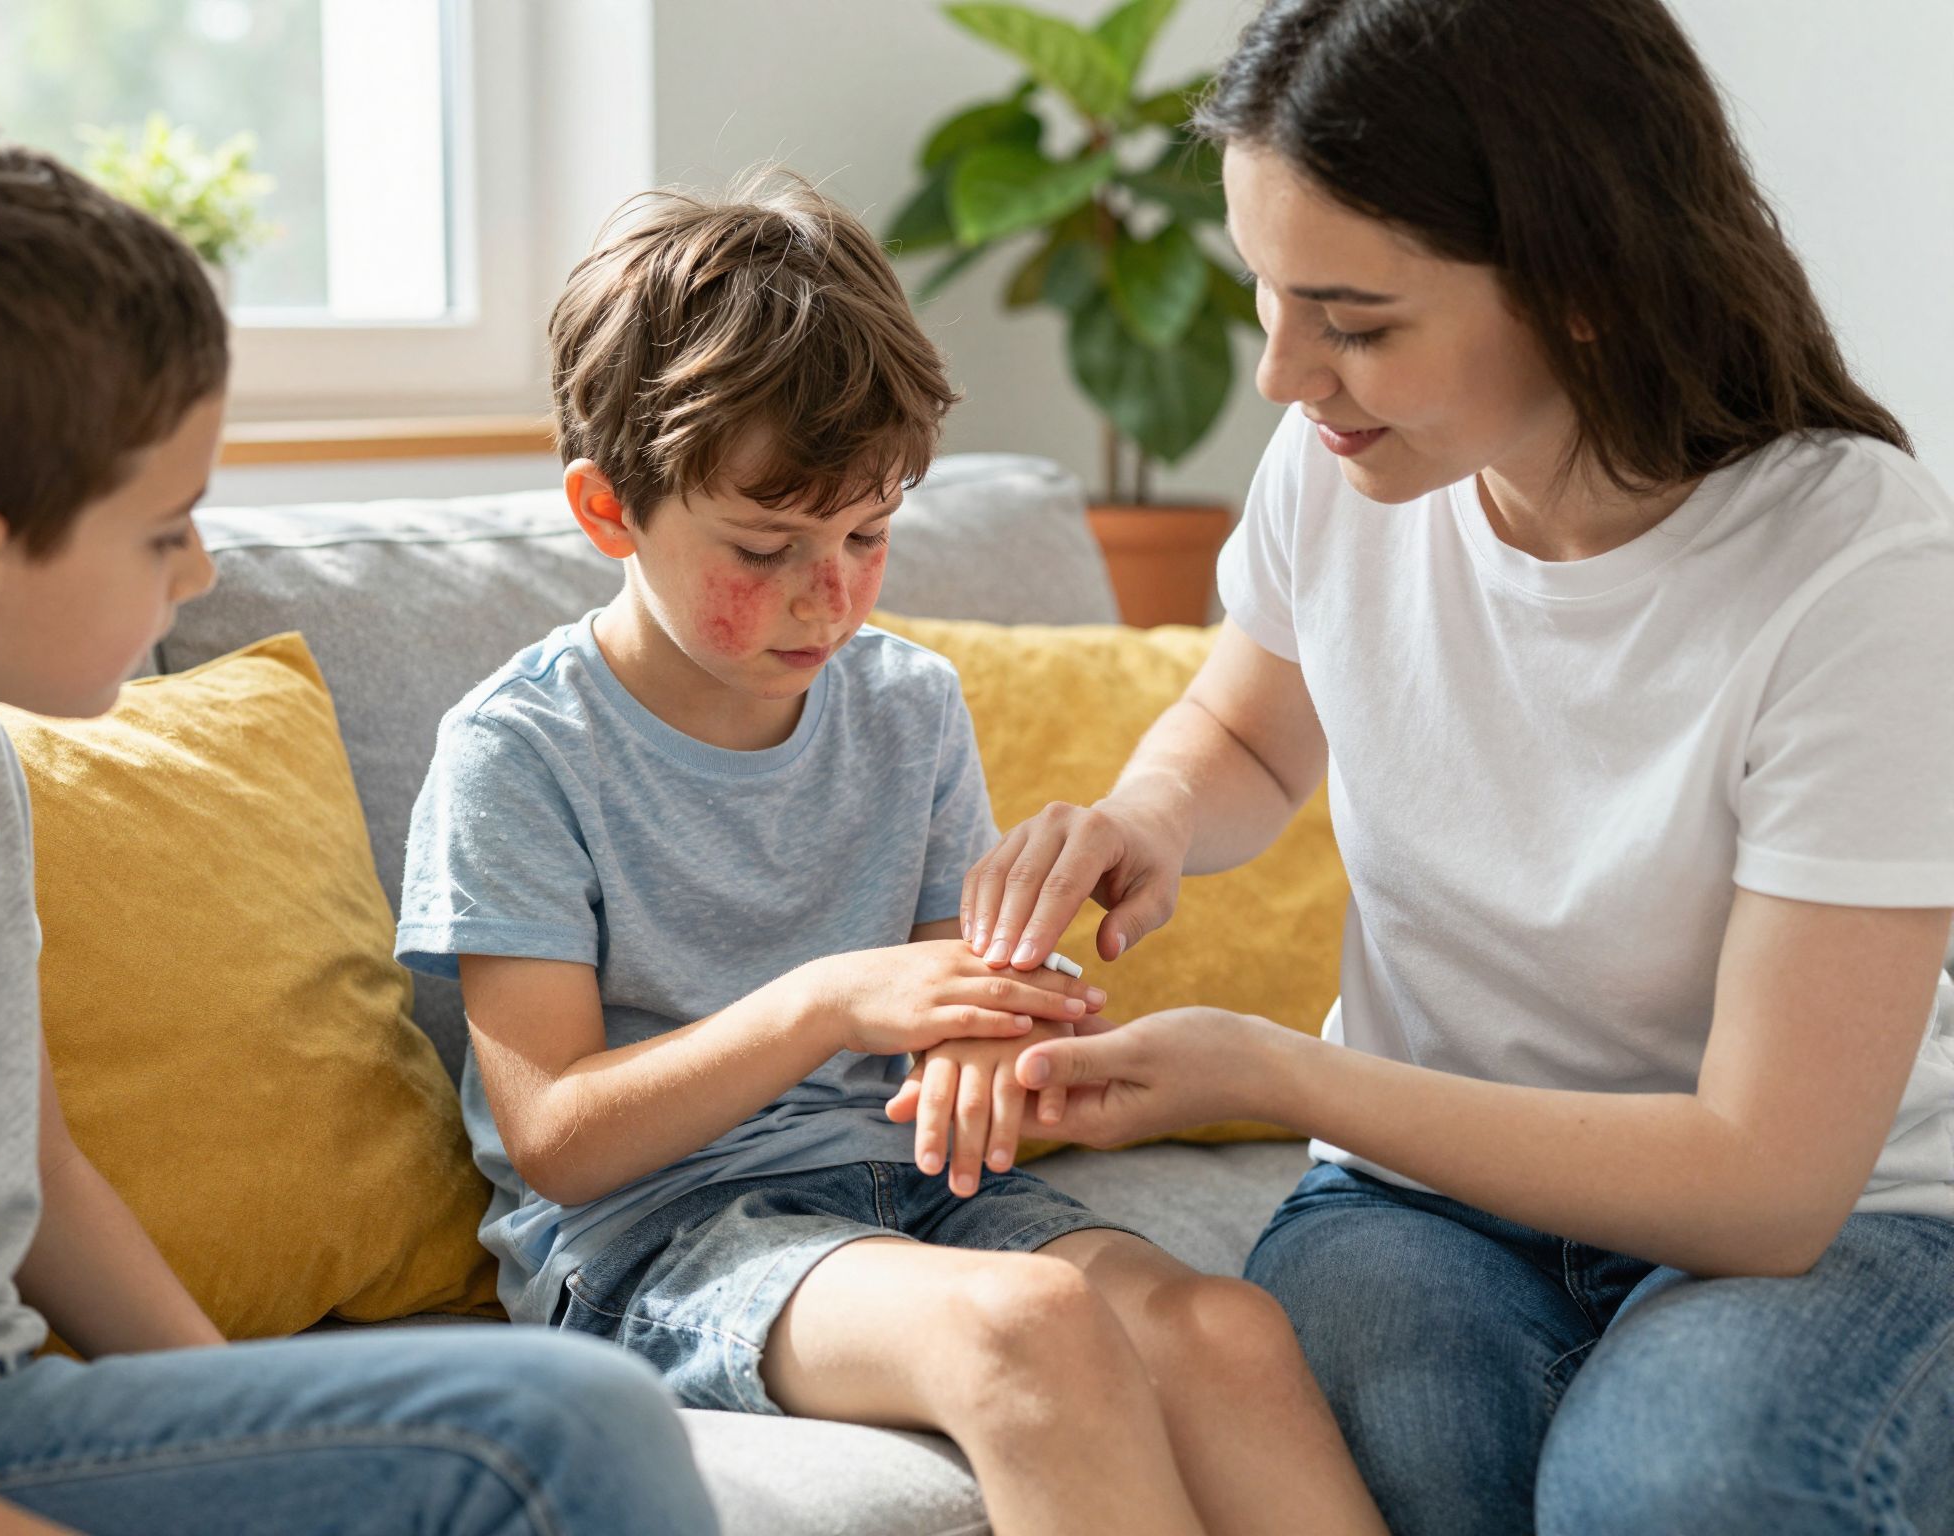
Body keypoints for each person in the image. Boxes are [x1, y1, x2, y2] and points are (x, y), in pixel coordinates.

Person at [961, 2, 1954, 1533]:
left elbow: (1766, 1185)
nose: (1287, 378)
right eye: (1268, 298)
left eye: (1355, 322)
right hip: (1425, 1208)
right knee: (1381, 1464)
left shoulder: (1856, 570)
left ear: (1585, 286)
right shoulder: (1349, 463)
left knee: (1671, 1491)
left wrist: (1276, 1069)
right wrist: (1147, 817)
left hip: (1824, 1224)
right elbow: (1241, 730)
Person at [394, 172, 1387, 1536]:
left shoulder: (905, 704)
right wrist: (829, 1002)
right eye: (768, 545)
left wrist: (987, 1040)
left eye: (868, 535)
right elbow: (560, 1138)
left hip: (919, 1193)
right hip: (672, 1241)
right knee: (1026, 1327)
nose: (829, 593)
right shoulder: (521, 752)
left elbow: (949, 1000)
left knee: (1227, 1333)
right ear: (608, 508)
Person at [0, 128, 718, 1536]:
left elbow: (38, 1178)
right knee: (552, 1433)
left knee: (550, 1417)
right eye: (168, 529)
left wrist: (266, 1430)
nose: (203, 568)